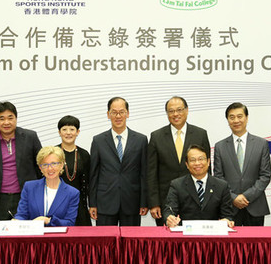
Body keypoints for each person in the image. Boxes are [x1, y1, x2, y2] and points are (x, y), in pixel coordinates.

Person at [147, 96, 210, 226]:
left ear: (187, 110)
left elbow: (207, 169)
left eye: (179, 110)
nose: (175, 114)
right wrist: (154, 203)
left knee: (195, 243)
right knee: (168, 244)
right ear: (167, 113)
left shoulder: (200, 134)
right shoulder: (156, 136)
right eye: (171, 111)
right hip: (167, 203)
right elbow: (151, 173)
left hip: (197, 201)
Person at [0, 101, 42, 227]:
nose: (6, 122)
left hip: (25, 197)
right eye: (2, 118)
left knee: (28, 237)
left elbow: (40, 165)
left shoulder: (30, 137)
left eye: (10, 118)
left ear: (16, 118)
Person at [89, 97, 148, 226]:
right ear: (108, 115)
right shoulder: (98, 141)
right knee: (105, 244)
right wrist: (92, 203)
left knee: (130, 245)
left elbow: (144, 173)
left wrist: (144, 201)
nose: (118, 116)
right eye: (114, 112)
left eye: (121, 112)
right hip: (105, 202)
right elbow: (93, 174)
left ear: (127, 113)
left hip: (132, 201)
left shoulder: (141, 140)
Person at [214, 102, 271, 226]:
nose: (236, 120)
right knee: (231, 246)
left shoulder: (261, 144)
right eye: (232, 117)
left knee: (255, 245)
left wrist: (246, 197)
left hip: (255, 205)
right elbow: (218, 177)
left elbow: (265, 175)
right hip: (229, 207)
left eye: (240, 116)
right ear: (227, 120)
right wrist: (233, 197)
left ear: (247, 118)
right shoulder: (220, 146)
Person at [163, 145, 235, 228]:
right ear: (187, 164)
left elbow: (227, 214)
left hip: (213, 234)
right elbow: (169, 209)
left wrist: (226, 220)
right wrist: (170, 218)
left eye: (201, 159)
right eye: (192, 160)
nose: (197, 163)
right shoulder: (177, 185)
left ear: (208, 162)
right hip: (186, 235)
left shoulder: (222, 185)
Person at [13, 146, 79, 226]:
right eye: (45, 165)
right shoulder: (29, 187)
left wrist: (47, 220)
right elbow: (21, 215)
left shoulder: (72, 193)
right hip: (33, 237)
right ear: (40, 168)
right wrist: (16, 221)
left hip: (58, 237)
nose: (50, 168)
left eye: (54, 163)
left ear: (61, 165)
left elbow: (70, 223)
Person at [57, 115, 91, 226]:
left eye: (72, 129)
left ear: (78, 132)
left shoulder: (84, 154)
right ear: (59, 132)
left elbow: (90, 181)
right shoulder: (53, 153)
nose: (68, 133)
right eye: (64, 129)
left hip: (79, 204)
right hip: (57, 204)